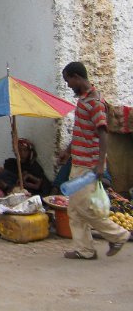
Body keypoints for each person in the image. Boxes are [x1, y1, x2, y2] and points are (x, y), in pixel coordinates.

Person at [59, 61, 129, 259]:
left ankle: (118, 235)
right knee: (74, 210)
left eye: (68, 81)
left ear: (76, 77)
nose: (68, 85)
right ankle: (85, 250)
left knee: (83, 207)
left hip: (88, 166)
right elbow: (82, 131)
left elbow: (103, 132)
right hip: (79, 162)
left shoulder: (95, 102)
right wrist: (68, 150)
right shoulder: (83, 99)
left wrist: (100, 164)